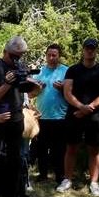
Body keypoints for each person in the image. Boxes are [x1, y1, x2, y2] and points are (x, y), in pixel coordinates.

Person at [0, 36, 37, 197]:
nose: (17, 59)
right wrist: (7, 83)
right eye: (14, 55)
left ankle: (14, 195)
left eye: (20, 56)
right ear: (6, 51)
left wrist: (35, 86)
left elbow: (28, 91)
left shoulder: (19, 66)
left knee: (16, 157)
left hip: (16, 117)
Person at [60, 38, 99, 197]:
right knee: (71, 147)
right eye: (87, 48)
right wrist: (80, 107)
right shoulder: (72, 70)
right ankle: (67, 179)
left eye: (93, 48)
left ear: (96, 50)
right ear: (83, 50)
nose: (90, 51)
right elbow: (67, 92)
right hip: (74, 113)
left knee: (94, 149)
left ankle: (94, 182)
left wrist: (88, 109)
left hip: (95, 115)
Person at [31, 43, 69, 184]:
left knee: (59, 149)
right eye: (49, 55)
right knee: (41, 147)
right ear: (46, 55)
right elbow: (30, 95)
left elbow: (72, 93)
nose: (51, 58)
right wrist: (37, 89)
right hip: (42, 116)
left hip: (60, 116)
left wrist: (62, 89)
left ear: (59, 56)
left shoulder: (67, 71)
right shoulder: (40, 72)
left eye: (54, 55)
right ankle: (43, 175)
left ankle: (60, 176)